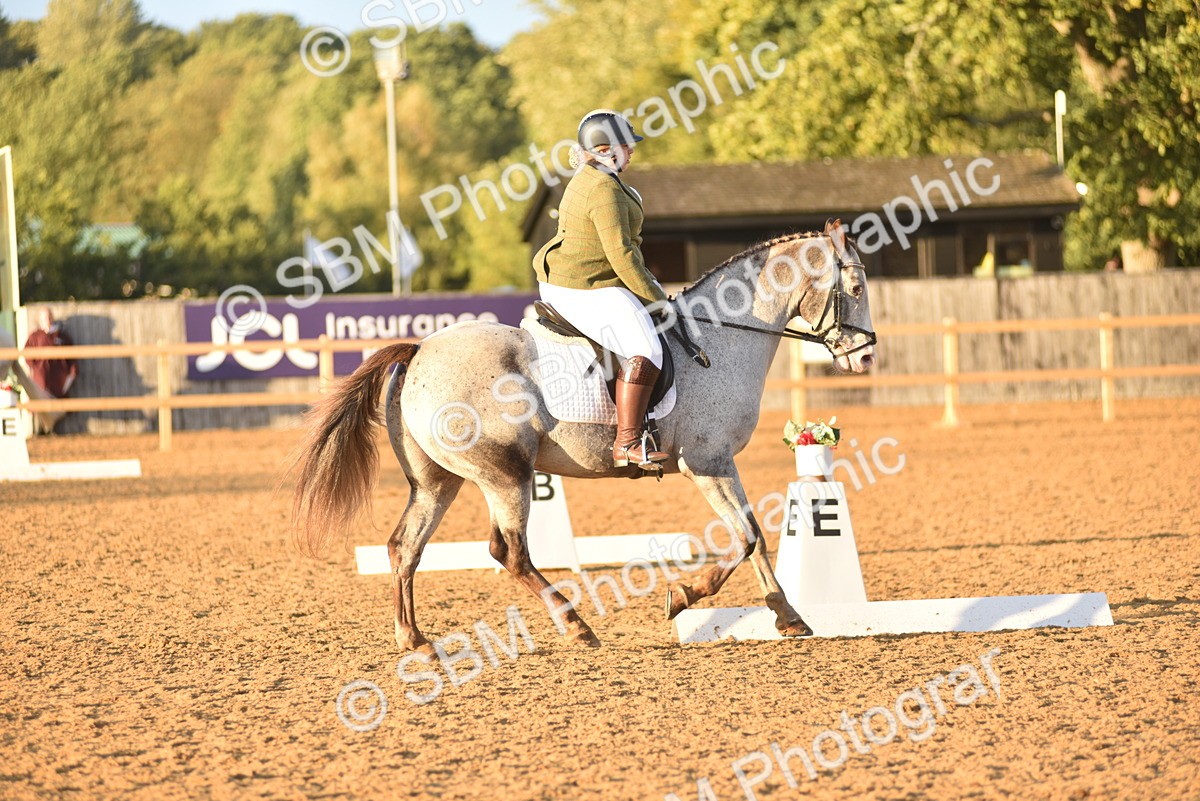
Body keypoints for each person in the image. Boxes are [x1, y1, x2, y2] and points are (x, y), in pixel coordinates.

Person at [533, 109, 669, 470]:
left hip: (586, 277)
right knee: (647, 348)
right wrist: (657, 301)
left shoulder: (600, 176)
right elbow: (623, 256)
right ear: (606, 148)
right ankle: (627, 443)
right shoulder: (602, 189)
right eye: (627, 145)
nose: (632, 151)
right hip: (585, 285)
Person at [24, 308, 78, 401]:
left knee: (59, 409)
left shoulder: (62, 336)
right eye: (44, 318)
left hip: (59, 381)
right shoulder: (35, 337)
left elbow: (72, 359)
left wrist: (71, 377)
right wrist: (36, 371)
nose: (47, 320)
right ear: (39, 320)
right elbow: (27, 356)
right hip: (41, 382)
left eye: (49, 316)